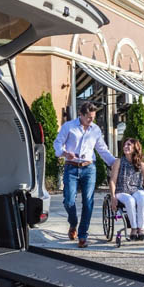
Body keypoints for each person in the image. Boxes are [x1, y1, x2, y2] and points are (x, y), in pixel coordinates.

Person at [54, 102, 116, 248]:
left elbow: (102, 149)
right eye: (88, 117)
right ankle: (73, 223)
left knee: (88, 202)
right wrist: (64, 153)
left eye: (93, 117)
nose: (91, 120)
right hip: (71, 167)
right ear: (80, 115)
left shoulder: (95, 130)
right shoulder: (69, 126)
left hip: (89, 168)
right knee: (69, 201)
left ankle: (82, 235)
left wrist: (114, 162)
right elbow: (57, 143)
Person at [109, 138, 144, 241]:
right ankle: (133, 229)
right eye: (125, 145)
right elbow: (112, 180)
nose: (126, 146)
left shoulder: (142, 165)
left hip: (136, 190)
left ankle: (141, 229)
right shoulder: (119, 162)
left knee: (143, 196)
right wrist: (112, 197)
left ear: (135, 148)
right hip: (121, 190)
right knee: (130, 200)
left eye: (129, 145)